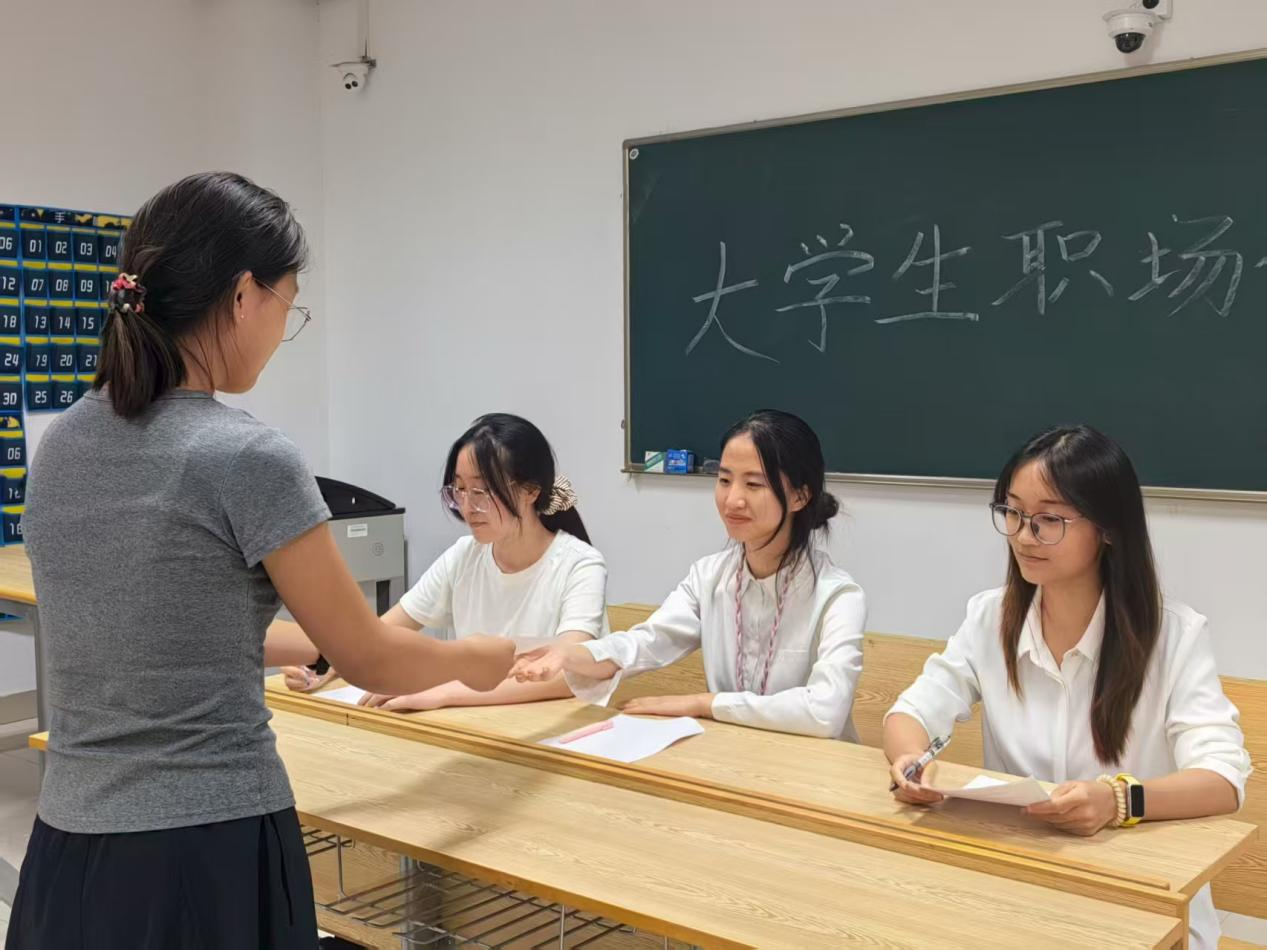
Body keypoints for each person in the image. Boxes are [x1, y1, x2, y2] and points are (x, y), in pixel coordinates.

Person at [5, 172, 513, 950]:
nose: (282, 330)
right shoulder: (245, 455)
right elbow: (371, 658)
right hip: (205, 851)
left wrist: (305, 645)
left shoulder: (65, 443)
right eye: (289, 306)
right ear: (245, 295)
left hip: (69, 851)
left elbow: (149, 628)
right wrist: (478, 661)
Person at [884, 424, 1250, 950]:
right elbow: (911, 712)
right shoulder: (991, 617)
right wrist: (909, 762)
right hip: (1019, 884)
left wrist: (1118, 801)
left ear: (1108, 528)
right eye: (1012, 513)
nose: (1024, 535)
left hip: (1142, 898)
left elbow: (1223, 781)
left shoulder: (1175, 635)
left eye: (1049, 520)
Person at [512, 409, 866, 739]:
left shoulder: (837, 595)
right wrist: (570, 654)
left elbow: (824, 711)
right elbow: (647, 642)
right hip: (733, 755)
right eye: (724, 480)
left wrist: (703, 704)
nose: (733, 500)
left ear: (800, 496)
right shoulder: (709, 576)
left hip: (813, 766)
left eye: (754, 485)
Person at [284, 413, 608, 712]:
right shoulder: (464, 555)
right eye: (460, 489)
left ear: (530, 491)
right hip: (469, 723)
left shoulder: (580, 564)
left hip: (545, 729)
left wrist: (442, 692)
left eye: (482, 491)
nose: (467, 506)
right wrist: (324, 662)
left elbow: (570, 670)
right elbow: (379, 636)